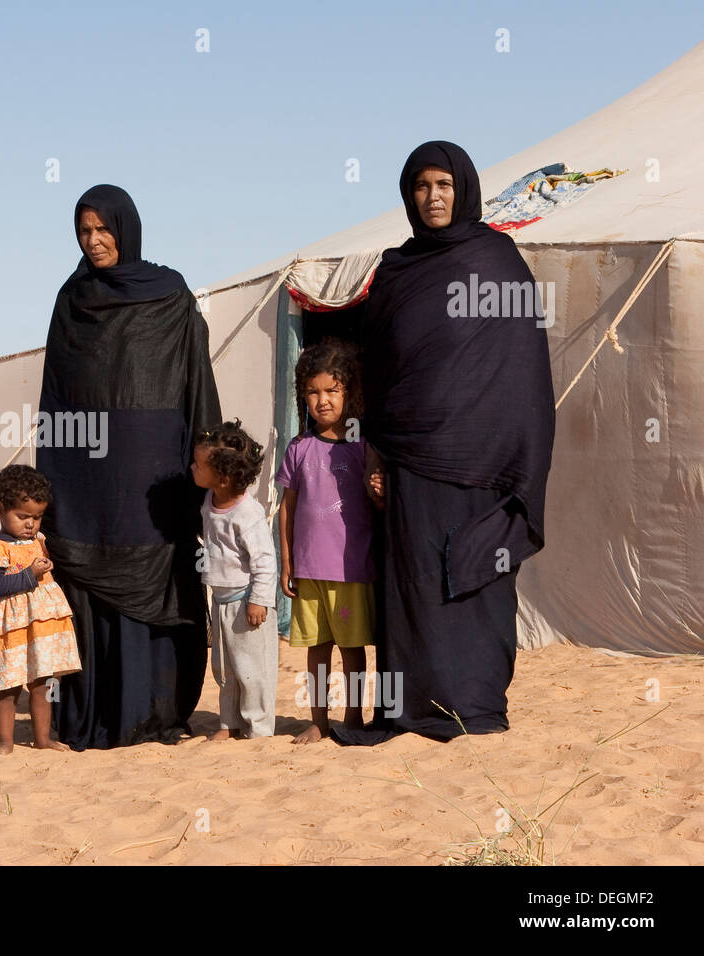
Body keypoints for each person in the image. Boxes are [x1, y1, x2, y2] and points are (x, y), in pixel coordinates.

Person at [349, 141, 555, 743]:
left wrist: (518, 456)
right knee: (412, 585)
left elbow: (521, 368)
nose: (433, 197)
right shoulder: (395, 271)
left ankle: (475, 704)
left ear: (462, 188)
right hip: (411, 461)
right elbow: (376, 372)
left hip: (483, 465)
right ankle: (409, 708)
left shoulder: (497, 260)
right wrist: (376, 450)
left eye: (443, 184)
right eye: (421, 187)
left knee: (477, 584)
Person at [39, 184, 222, 750]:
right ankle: (95, 714)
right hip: (86, 481)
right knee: (87, 585)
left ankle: (153, 711)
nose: (94, 241)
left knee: (156, 582)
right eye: (84, 231)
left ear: (127, 228)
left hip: (155, 482)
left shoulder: (169, 297)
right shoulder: (72, 301)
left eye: (103, 229)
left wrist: (207, 460)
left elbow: (196, 385)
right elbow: (55, 401)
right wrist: (52, 485)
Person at [275, 341, 375, 744]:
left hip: (351, 569)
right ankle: (319, 720)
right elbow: (287, 507)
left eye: (332, 391)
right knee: (316, 650)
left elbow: (379, 501)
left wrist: (379, 489)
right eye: (313, 392)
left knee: (352, 651)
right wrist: (286, 561)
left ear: (348, 392)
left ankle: (353, 717)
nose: (322, 401)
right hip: (309, 568)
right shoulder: (298, 448)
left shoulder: (363, 446)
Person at [0, 465, 81, 755]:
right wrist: (29, 574)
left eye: (37, 517)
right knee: (7, 688)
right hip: (11, 629)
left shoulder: (39, 542)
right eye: (23, 516)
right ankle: (5, 742)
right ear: (0, 509)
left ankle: (42, 739)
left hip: (40, 628)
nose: (31, 524)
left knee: (41, 684)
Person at [191, 420, 278, 740]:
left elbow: (265, 560)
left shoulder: (248, 513)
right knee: (225, 671)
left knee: (252, 671)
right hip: (222, 601)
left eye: (199, 465)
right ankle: (229, 724)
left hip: (247, 604)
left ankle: (259, 729)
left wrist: (259, 600)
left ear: (224, 477)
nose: (192, 468)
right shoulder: (210, 501)